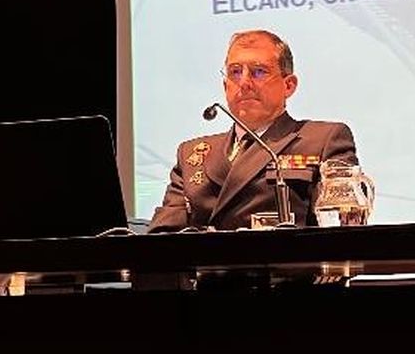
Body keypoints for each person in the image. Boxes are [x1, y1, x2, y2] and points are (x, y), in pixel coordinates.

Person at [148, 29, 359, 231]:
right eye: (235, 72)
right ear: (225, 86)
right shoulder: (192, 153)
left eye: (259, 72)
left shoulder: (322, 140)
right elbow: (163, 235)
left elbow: (341, 233)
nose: (244, 83)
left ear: (288, 85)